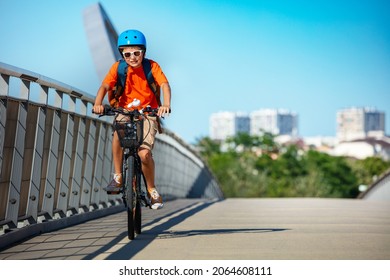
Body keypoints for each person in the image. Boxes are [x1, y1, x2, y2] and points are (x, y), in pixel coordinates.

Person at [93, 29, 171, 210]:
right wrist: (98, 103)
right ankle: (118, 176)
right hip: (124, 110)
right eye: (127, 54)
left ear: (143, 52)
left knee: (144, 154)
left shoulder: (151, 67)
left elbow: (164, 85)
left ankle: (152, 190)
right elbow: (105, 85)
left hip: (148, 113)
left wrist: (165, 104)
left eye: (137, 53)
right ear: (122, 54)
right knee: (118, 133)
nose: (133, 57)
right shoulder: (118, 68)